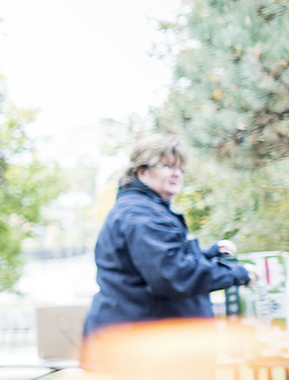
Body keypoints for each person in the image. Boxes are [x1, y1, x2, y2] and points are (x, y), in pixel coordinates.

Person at [82, 134, 253, 339]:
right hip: (141, 346)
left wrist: (208, 253)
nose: (176, 174)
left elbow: (161, 259)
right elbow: (173, 275)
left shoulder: (145, 209)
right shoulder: (142, 215)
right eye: (166, 166)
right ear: (142, 172)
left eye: (180, 168)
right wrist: (237, 273)